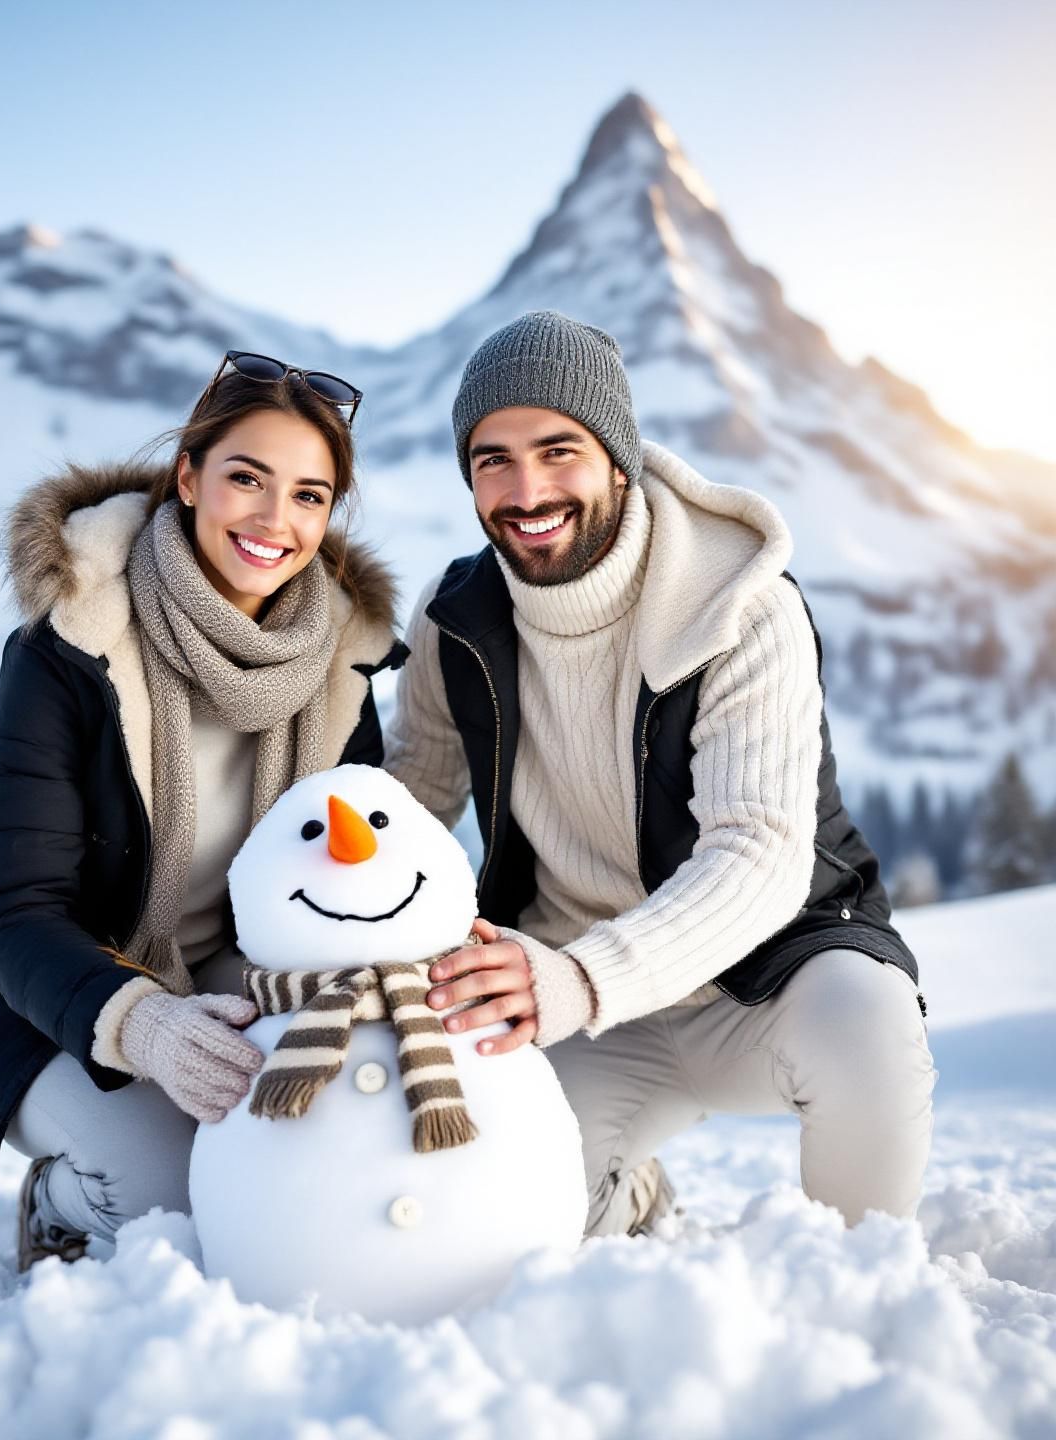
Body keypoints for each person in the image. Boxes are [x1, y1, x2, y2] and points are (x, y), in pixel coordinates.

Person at [387, 309, 937, 1236]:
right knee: (503, 1233)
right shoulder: (456, 624)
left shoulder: (738, 604)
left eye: (559, 450)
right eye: (493, 459)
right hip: (574, 1007)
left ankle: (864, 1293)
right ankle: (630, 1197)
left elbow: (757, 853)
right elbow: (411, 805)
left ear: (618, 457)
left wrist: (577, 979)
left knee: (867, 1023)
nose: (527, 490)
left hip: (762, 980)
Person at [0, 351, 404, 1269]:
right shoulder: (70, 645)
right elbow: (12, 909)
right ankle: (64, 1204)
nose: (276, 520)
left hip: (237, 978)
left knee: (347, 1125)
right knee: (168, 1204)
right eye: (247, 479)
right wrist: (144, 1023)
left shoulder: (340, 665)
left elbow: (352, 869)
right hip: (57, 1001)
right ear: (188, 478)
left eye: (310, 496)